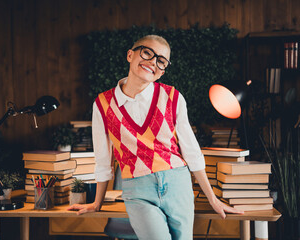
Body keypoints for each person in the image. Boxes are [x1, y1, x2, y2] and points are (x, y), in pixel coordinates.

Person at [68, 34, 243, 240]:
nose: (153, 62)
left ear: (162, 72)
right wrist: (97, 203)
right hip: (137, 191)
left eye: (161, 61)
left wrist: (212, 199)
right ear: (130, 55)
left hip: (178, 184)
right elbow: (104, 160)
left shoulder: (173, 97)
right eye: (147, 53)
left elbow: (192, 152)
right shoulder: (103, 104)